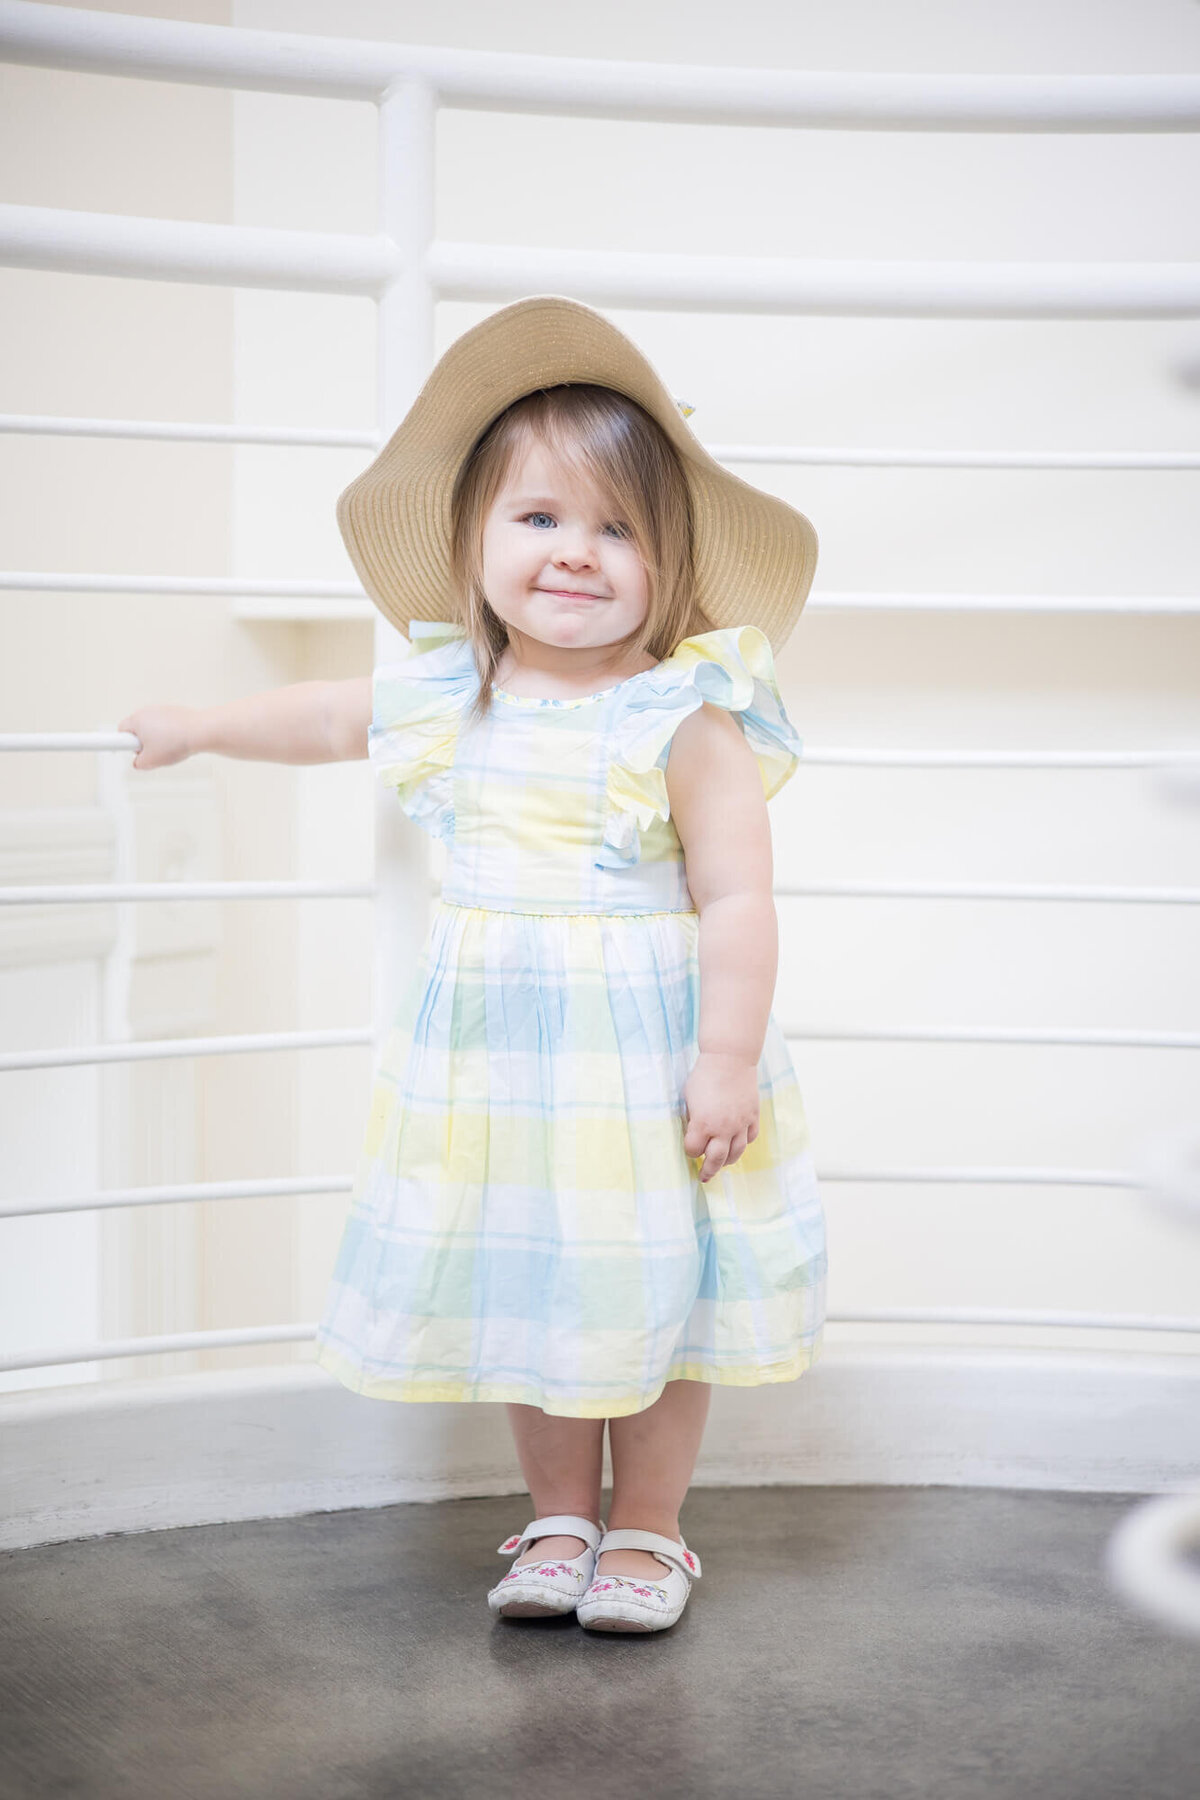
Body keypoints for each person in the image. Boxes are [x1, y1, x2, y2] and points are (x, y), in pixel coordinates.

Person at [119, 295, 828, 1636]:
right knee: (534, 1284)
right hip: (505, 1062)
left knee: (655, 1291)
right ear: (477, 541)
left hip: (647, 1058)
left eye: (618, 529)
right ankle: (559, 1514)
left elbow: (739, 893)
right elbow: (327, 715)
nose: (577, 555)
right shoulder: (457, 689)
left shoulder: (684, 710)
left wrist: (724, 1059)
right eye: (542, 519)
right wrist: (203, 724)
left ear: (668, 563)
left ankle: (653, 1529)